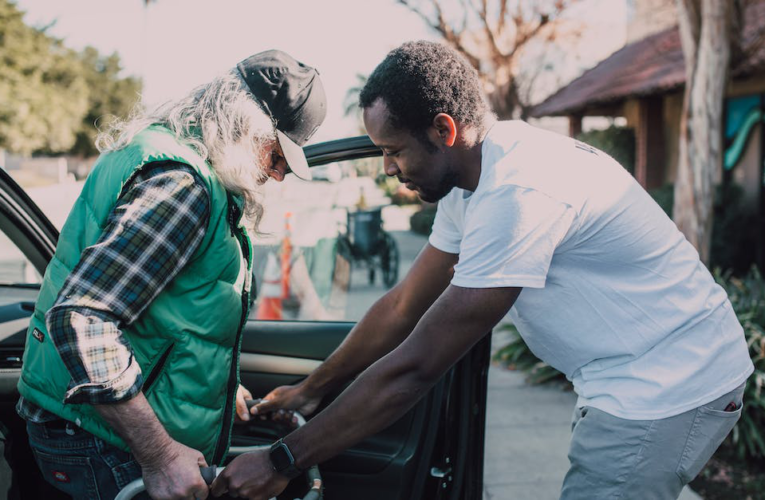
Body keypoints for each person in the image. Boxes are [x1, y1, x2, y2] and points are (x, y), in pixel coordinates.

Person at [211, 41, 754, 500]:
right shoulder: (472, 186)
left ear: (444, 129)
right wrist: (312, 388)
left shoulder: (519, 190)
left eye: (393, 150)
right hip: (628, 378)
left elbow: (417, 366)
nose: (388, 168)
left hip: (668, 386)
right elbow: (404, 305)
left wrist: (282, 460)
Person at [15, 49, 326, 500]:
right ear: (246, 125)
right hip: (106, 445)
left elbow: (160, 308)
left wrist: (213, 385)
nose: (278, 174)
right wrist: (160, 455)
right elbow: (84, 319)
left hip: (80, 426)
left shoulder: (155, 150)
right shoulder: (181, 186)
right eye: (277, 153)